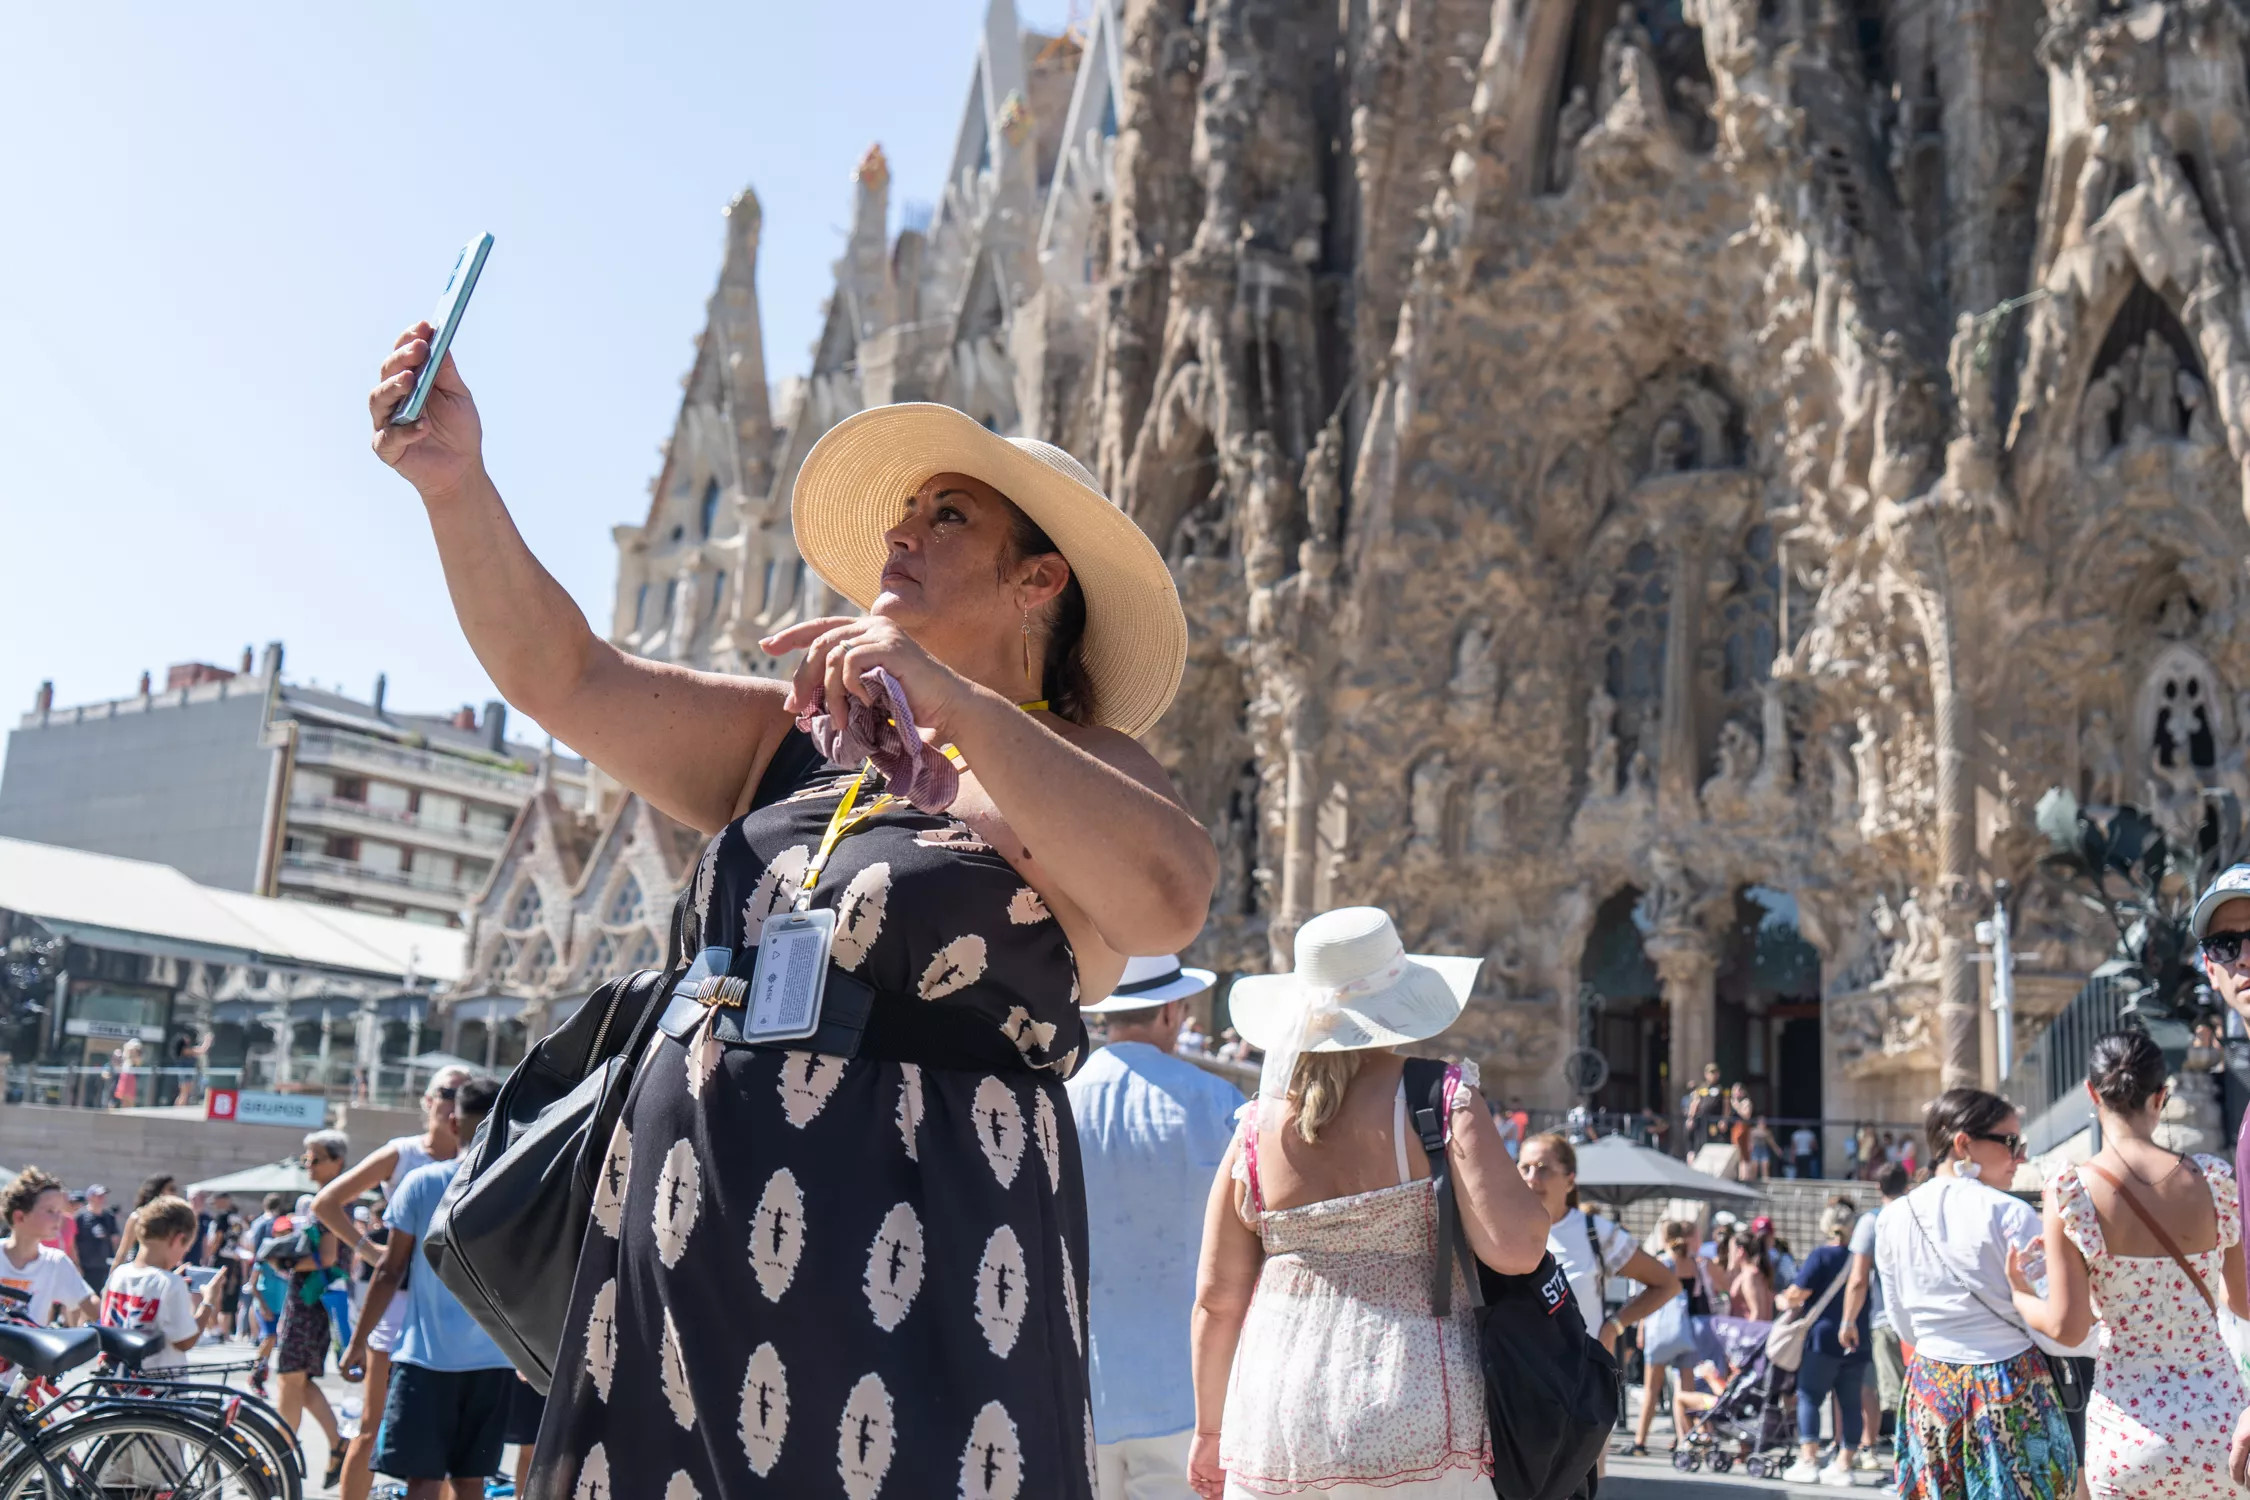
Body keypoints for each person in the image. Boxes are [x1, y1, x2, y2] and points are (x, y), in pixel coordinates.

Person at [372, 334, 1215, 1498]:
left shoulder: (1083, 766)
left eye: (950, 516)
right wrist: (456, 482)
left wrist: (952, 697)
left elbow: (1168, 901)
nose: (902, 533)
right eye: (903, 512)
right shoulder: (800, 739)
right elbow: (564, 675)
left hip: (922, 1264)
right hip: (684, 1239)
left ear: (1041, 579)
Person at [1188, 907, 1550, 1497]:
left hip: (1276, 1412)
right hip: (1415, 1399)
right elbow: (1515, 1248)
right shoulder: (1439, 1096)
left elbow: (1215, 1300)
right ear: (1401, 1002)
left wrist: (1209, 1430)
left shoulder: (1254, 1125)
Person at [2004, 1030, 2247, 1499]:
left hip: (2129, 1427)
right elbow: (2243, 1301)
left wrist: (2020, 1295)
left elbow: (2070, 1328)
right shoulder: (2214, 1180)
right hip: (2219, 1419)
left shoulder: (2071, 1192)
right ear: (2162, 1096)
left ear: (2092, 1093)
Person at [1066, 955, 1241, 1500]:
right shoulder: (1216, 1103)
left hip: (1079, 1387)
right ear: (1170, 1012)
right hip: (1186, 1392)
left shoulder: (1057, 1099)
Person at [1875, 1088, 2079, 1500]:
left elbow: (1902, 1321)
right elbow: (2051, 1320)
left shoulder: (1894, 1217)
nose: (2019, 1155)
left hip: (1931, 1385)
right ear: (1963, 1144)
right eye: (2009, 1142)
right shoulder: (2009, 1214)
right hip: (2008, 1382)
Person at [341, 1077, 513, 1500]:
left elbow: (388, 1270)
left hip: (427, 1362)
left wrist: (356, 1343)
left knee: (423, 1480)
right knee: (471, 1481)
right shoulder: (517, 1188)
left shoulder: (421, 1184)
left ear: (454, 1123)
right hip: (495, 1364)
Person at [312, 1066, 474, 1500]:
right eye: (445, 1092)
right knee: (373, 1422)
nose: (453, 1101)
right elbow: (326, 1203)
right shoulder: (403, 1154)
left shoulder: (482, 1154)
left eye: (463, 1094)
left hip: (454, 1301)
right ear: (426, 1100)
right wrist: (370, 1252)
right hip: (399, 1298)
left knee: (448, 1435)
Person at [1517, 1133, 1681, 1352]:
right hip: (1513, 1376)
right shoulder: (1501, 1231)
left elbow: (1667, 1284)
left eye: (1543, 1168)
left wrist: (1614, 1326)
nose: (1532, 1178)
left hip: (1575, 1376)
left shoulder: (1595, 1232)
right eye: (1524, 1168)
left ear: (1570, 1180)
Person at [1777, 1201, 1872, 1484]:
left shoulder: (1820, 1256)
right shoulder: (1862, 1258)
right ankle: (1844, 1464)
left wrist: (1782, 1299)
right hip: (1858, 1336)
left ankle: (1809, 1458)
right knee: (1851, 1402)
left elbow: (1798, 1292)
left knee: (1809, 1396)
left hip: (1823, 1337)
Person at [277, 1129, 350, 1489]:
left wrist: (282, 1258)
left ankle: (279, 1453)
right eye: (306, 1158)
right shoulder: (332, 1197)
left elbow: (329, 1257)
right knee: (298, 1380)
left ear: (338, 1161)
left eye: (315, 1158)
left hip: (311, 1301)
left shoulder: (331, 1199)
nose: (308, 1164)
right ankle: (336, 1444)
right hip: (310, 1298)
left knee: (290, 1377)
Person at [99, 1193, 223, 1375]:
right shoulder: (170, 1284)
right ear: (177, 1239)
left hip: (117, 1383)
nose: (183, 1255)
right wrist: (208, 1303)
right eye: (185, 1247)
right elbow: (184, 1341)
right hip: (158, 1391)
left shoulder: (119, 1273)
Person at [1842, 1165, 1910, 1467]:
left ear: (1877, 1186)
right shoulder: (1916, 1216)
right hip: (1923, 1319)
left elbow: (1858, 1278)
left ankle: (1904, 1468)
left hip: (1886, 1318)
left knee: (1895, 1398)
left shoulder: (1873, 1221)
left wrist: (1848, 1320)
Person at [1630, 1219, 1713, 1456]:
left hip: (1661, 1331)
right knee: (1686, 1390)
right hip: (1686, 1331)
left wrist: (1641, 1327)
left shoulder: (1662, 1262)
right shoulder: (1694, 1265)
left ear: (1664, 1238)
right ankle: (1686, 1438)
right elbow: (1699, 1295)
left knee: (1651, 1388)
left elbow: (1647, 1296)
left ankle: (1640, 1441)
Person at [0, 1167, 96, 1326]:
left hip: (29, 1350)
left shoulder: (55, 1262)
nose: (60, 1217)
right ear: (20, 1216)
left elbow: (90, 1303)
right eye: (51, 1211)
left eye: (60, 1210)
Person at [74, 1184, 118, 1294]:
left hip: (105, 1266)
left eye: (103, 1196)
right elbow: (73, 1242)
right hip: (87, 1267)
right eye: (98, 1196)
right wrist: (77, 1264)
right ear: (90, 1197)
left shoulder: (109, 1216)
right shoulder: (81, 1217)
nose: (102, 1199)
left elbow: (115, 1239)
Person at [1727, 1233, 1775, 1321]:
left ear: (1740, 1251)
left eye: (1731, 1251)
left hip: (1750, 1332)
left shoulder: (1750, 1275)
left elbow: (1758, 1313)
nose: (1729, 1254)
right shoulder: (1747, 1273)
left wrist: (1749, 1334)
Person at [1682, 1063, 1726, 1150]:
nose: (1713, 1075)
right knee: (1700, 1142)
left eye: (1715, 1073)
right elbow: (1695, 1103)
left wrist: (1724, 1119)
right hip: (1702, 1119)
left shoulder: (1721, 1089)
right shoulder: (1700, 1089)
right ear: (1706, 1074)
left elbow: (1726, 1105)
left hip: (1715, 1119)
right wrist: (1691, 1118)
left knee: (1714, 1143)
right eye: (1711, 1073)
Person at [113, 1037, 142, 1110]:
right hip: (124, 1078)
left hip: (130, 1080)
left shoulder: (136, 1058)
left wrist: (134, 1052)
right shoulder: (125, 1056)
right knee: (123, 1099)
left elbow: (137, 1062)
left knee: (130, 1099)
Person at [1748, 1116, 1778, 1181]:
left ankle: (1765, 1180)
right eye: (1761, 1122)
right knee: (1754, 1166)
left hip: (1763, 1149)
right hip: (1755, 1149)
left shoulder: (1767, 1132)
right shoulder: (1753, 1131)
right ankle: (1753, 1181)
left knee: (1765, 1165)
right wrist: (1749, 1148)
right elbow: (1750, 1140)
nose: (1763, 1124)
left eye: (1764, 1122)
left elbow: (1771, 1142)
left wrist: (1777, 1150)